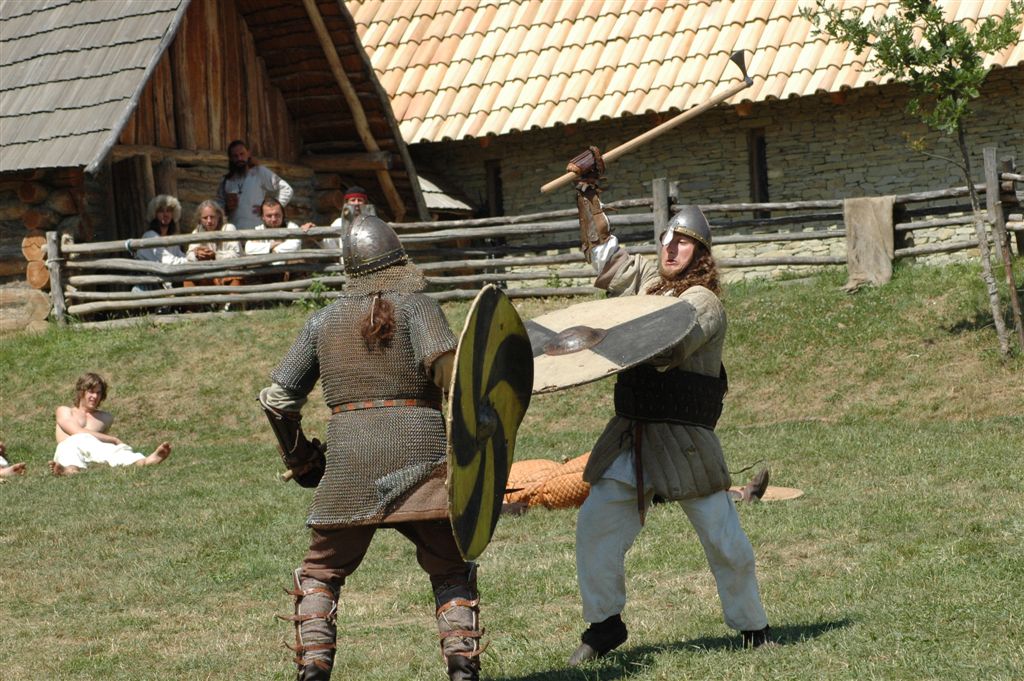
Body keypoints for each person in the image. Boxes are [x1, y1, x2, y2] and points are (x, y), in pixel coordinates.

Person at [564, 149, 773, 666]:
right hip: (631, 434)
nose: (669, 247)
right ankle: (605, 624)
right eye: (665, 239)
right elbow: (606, 259)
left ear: (700, 253)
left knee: (724, 539)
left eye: (681, 241)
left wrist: (607, 335)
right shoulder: (647, 282)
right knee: (595, 525)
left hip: (684, 440)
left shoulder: (704, 302)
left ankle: (753, 627)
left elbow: (667, 349)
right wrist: (588, 193)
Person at [260, 215, 483, 681]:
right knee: (449, 568)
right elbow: (454, 377)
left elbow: (278, 400)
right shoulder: (419, 307)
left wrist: (300, 458)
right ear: (398, 259)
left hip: (351, 462)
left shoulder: (323, 320)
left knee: (321, 572)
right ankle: (462, 668)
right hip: (421, 457)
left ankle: (314, 669)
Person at [49, 372, 171, 476]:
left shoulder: (104, 418)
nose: (95, 396)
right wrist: (113, 439)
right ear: (81, 392)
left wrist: (113, 444)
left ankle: (143, 461)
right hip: (67, 448)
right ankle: (70, 469)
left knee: (110, 449)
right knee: (71, 443)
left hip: (91, 452)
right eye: (91, 392)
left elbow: (101, 447)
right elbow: (77, 432)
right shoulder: (64, 411)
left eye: (98, 393)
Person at [217, 140, 293, 229]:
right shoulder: (226, 180)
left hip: (257, 230)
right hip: (235, 231)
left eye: (242, 154)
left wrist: (270, 208)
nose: (239, 158)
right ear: (231, 158)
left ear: (248, 154)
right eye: (235, 156)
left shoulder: (259, 172)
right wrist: (226, 207)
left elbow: (287, 189)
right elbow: (219, 205)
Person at [183, 200, 243, 289]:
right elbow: (189, 256)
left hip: (228, 271)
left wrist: (215, 255)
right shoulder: (197, 232)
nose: (209, 221)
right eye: (205, 218)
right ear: (200, 219)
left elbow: (236, 255)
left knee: (235, 278)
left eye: (212, 217)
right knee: (188, 278)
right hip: (208, 273)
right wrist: (197, 255)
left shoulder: (228, 229)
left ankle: (233, 298)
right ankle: (194, 298)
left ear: (218, 216)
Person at [301, 185, 375, 250]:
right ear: (347, 203)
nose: (356, 203)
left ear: (365, 203)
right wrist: (316, 233)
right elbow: (331, 246)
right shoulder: (339, 222)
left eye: (360, 200)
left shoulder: (373, 222)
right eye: (353, 200)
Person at [134, 195, 188, 265]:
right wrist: (190, 262)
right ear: (154, 214)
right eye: (161, 211)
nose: (165, 214)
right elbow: (167, 260)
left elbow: (181, 256)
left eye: (168, 211)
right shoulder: (150, 236)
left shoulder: (171, 239)